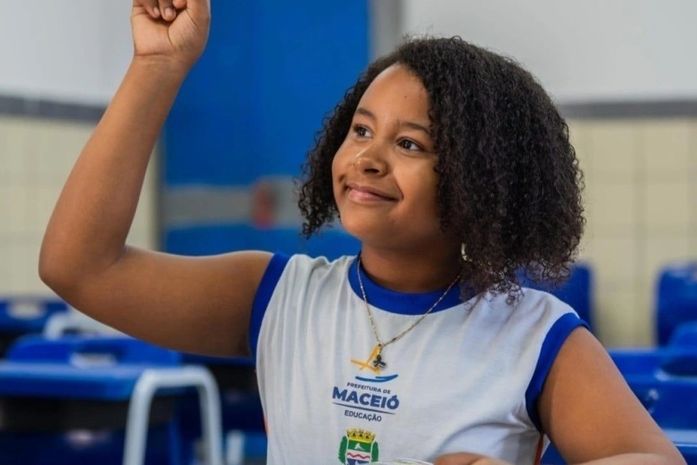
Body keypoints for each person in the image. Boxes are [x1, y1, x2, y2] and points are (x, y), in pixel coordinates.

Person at [39, 1, 685, 464]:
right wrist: (157, 66)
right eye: (361, 129)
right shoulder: (275, 295)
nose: (368, 158)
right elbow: (79, 266)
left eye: (410, 143)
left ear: (481, 180)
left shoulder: (535, 336)